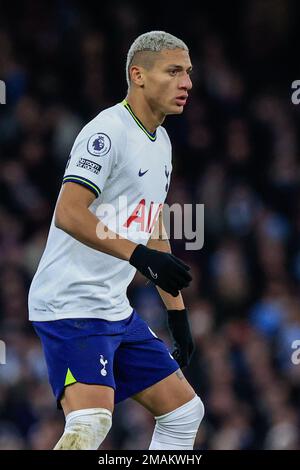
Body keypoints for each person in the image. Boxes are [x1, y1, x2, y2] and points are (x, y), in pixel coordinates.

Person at [28, 30, 205, 450]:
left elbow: (153, 228)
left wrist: (177, 316)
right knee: (91, 423)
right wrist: (140, 255)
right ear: (138, 75)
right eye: (174, 71)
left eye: (189, 73)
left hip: (113, 308)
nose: (187, 84)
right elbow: (70, 212)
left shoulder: (160, 142)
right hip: (69, 303)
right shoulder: (106, 132)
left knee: (184, 413)